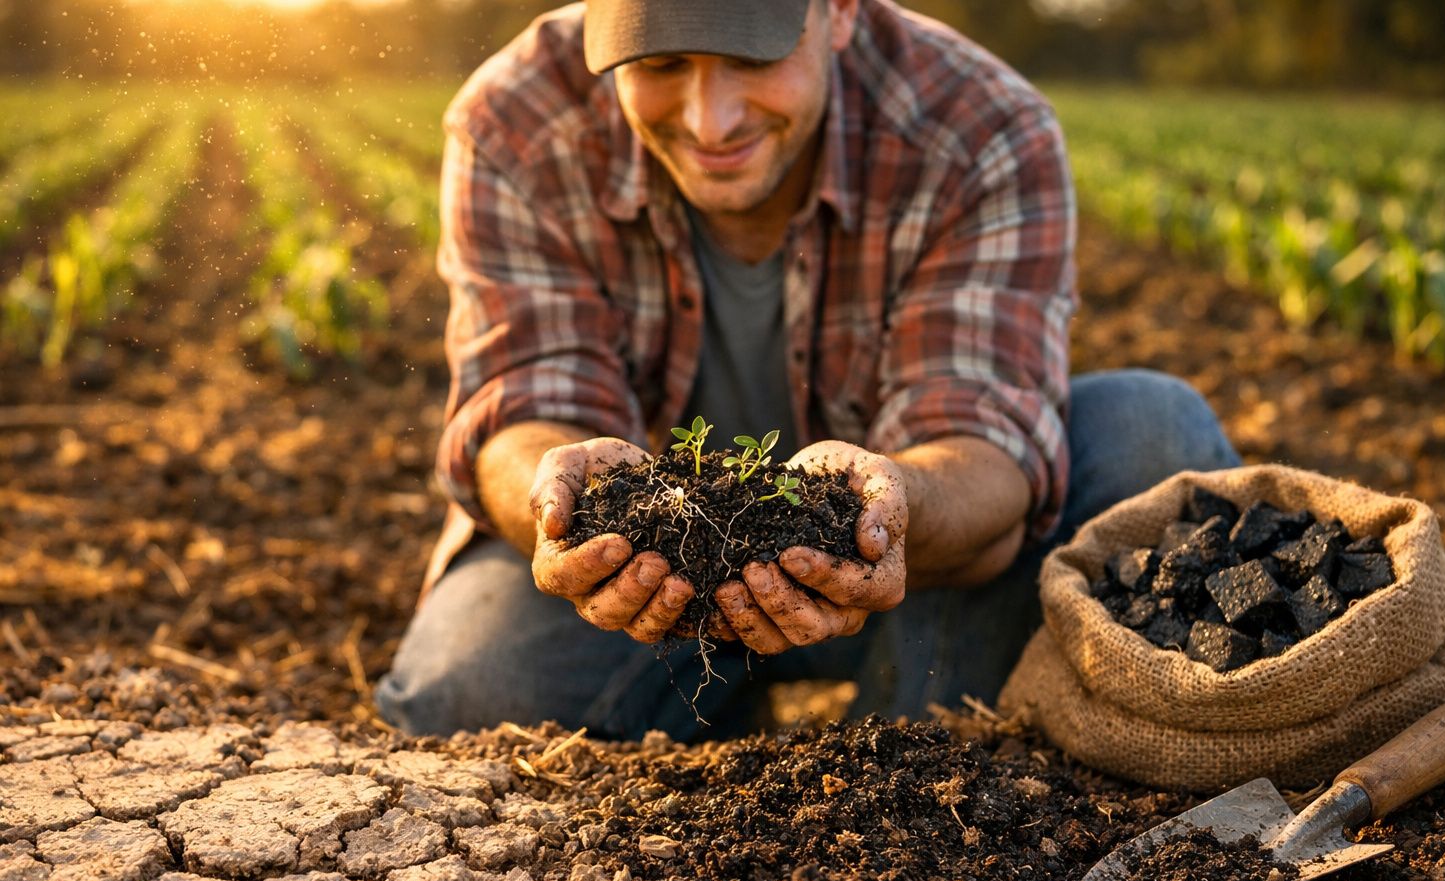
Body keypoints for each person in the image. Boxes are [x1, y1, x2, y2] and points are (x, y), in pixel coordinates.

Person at [376, 0, 1241, 739]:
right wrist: (559, 494)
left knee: (1148, 432)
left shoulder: (976, 123)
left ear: (840, 12)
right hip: (645, 593)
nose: (710, 120)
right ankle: (716, 705)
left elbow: (979, 435)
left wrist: (887, 508)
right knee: (468, 699)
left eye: (754, 56)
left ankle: (895, 744)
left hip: (906, 577)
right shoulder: (517, 115)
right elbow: (525, 402)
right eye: (662, 63)